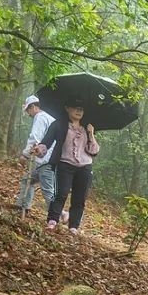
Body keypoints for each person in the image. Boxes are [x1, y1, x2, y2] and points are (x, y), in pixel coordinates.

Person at [33, 98, 98, 234]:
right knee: (61, 193)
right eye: (75, 107)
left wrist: (91, 134)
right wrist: (39, 149)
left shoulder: (87, 127)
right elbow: (46, 142)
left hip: (85, 167)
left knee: (79, 198)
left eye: (81, 109)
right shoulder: (59, 125)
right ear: (67, 108)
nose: (79, 111)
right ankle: (52, 221)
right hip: (64, 164)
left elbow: (94, 151)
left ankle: (73, 226)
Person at [15, 95, 57, 216]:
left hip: (47, 160)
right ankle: (23, 207)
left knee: (48, 192)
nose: (29, 114)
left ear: (33, 107)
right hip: (44, 160)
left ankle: (59, 216)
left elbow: (35, 139)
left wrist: (25, 155)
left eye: (28, 110)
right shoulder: (49, 117)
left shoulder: (40, 117)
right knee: (27, 180)